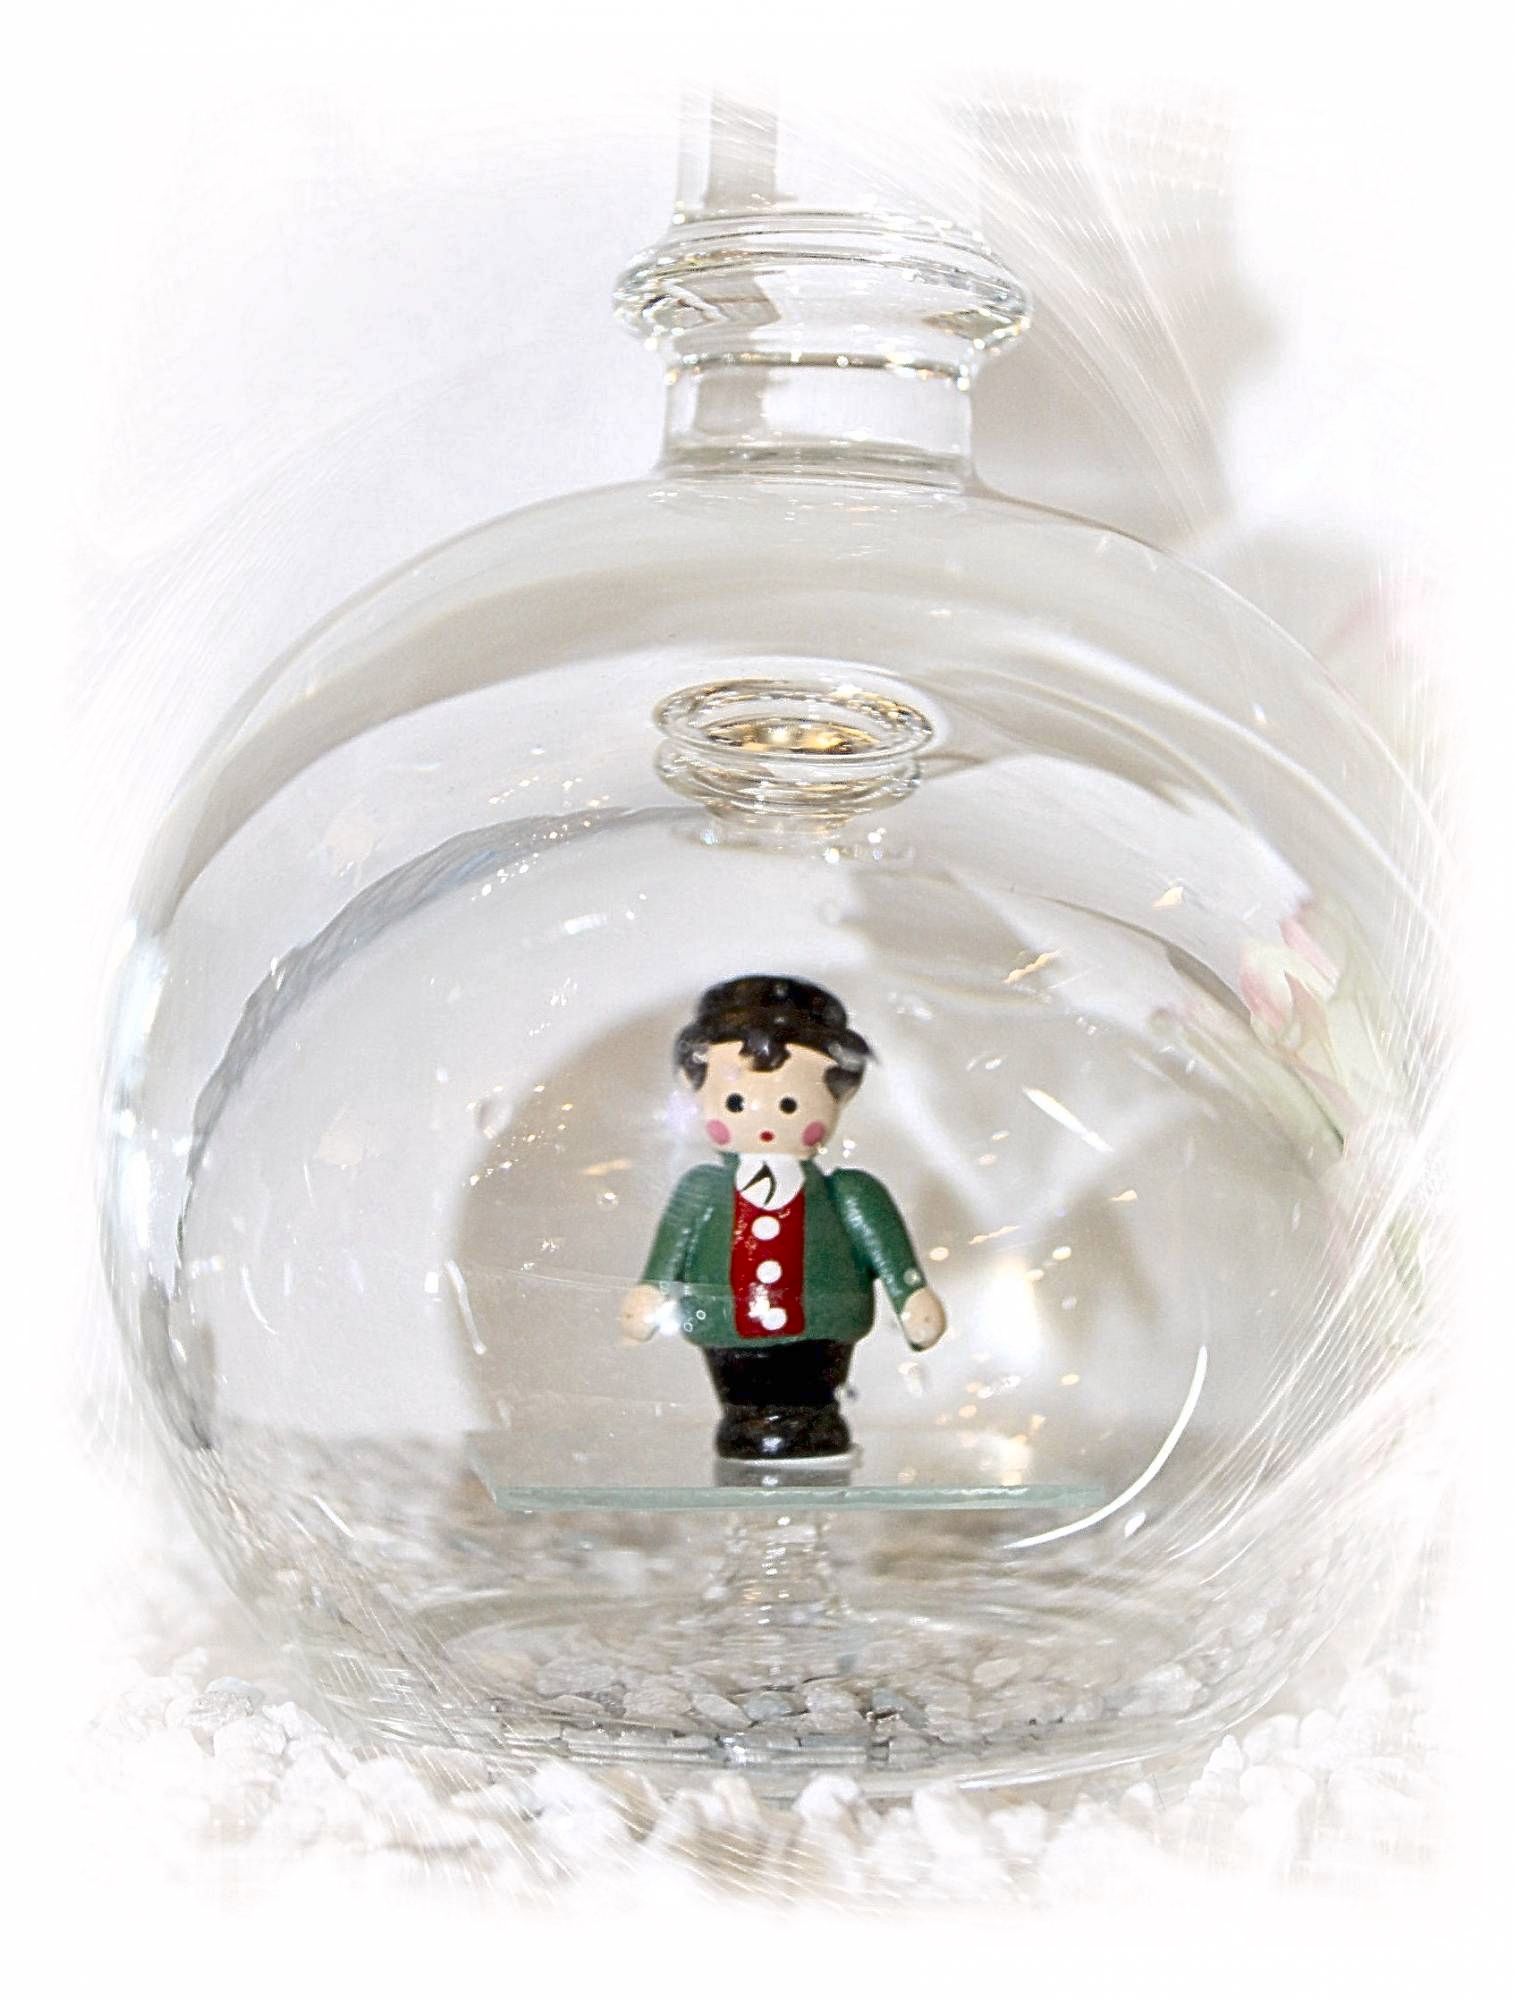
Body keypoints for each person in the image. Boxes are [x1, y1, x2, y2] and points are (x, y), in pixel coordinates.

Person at [620, 975, 946, 1460]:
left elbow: (884, 1245)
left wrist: (910, 1294)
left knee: (814, 1386)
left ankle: (817, 1418)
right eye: (736, 1102)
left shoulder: (849, 1193)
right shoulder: (702, 1190)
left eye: (790, 1104)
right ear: (695, 1090)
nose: (766, 1121)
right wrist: (652, 1289)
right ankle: (742, 1418)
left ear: (840, 1098)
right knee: (739, 1386)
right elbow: (672, 1247)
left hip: (823, 1326)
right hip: (727, 1327)